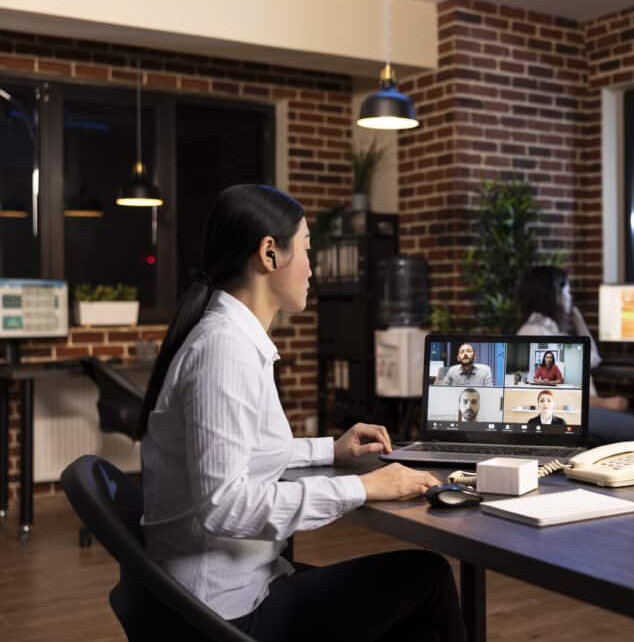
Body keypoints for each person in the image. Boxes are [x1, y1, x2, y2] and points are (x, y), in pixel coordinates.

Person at [139, 184, 465, 642]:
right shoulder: (224, 351)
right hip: (221, 613)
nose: (312, 270)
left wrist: (331, 449)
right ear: (269, 254)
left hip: (226, 590)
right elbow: (224, 507)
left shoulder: (228, 339)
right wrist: (364, 487)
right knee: (426, 579)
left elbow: (244, 452)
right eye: (307, 250)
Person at [517, 266, 634, 446]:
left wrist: (578, 320)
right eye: (567, 291)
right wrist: (604, 404)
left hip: (583, 409)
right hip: (575, 412)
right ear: (555, 295)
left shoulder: (544, 329)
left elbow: (592, 358)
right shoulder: (537, 334)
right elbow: (556, 394)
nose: (570, 298)